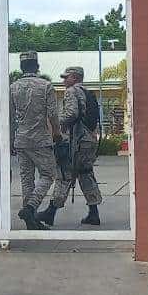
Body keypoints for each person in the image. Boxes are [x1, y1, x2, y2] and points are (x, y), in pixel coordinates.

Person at [44, 66, 104, 227]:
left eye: (66, 77)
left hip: (76, 141)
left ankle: (50, 212)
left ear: (75, 77)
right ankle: (94, 213)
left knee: (64, 173)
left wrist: (57, 124)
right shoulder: (88, 92)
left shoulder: (71, 91)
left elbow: (71, 113)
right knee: (86, 174)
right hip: (89, 140)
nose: (64, 81)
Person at [10, 52, 61, 231]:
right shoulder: (45, 86)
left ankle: (30, 220)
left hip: (21, 139)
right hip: (40, 139)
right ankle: (31, 207)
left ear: (22, 67)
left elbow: (10, 117)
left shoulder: (13, 87)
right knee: (48, 174)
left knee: (27, 180)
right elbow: (53, 114)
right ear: (37, 66)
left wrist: (11, 140)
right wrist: (57, 133)